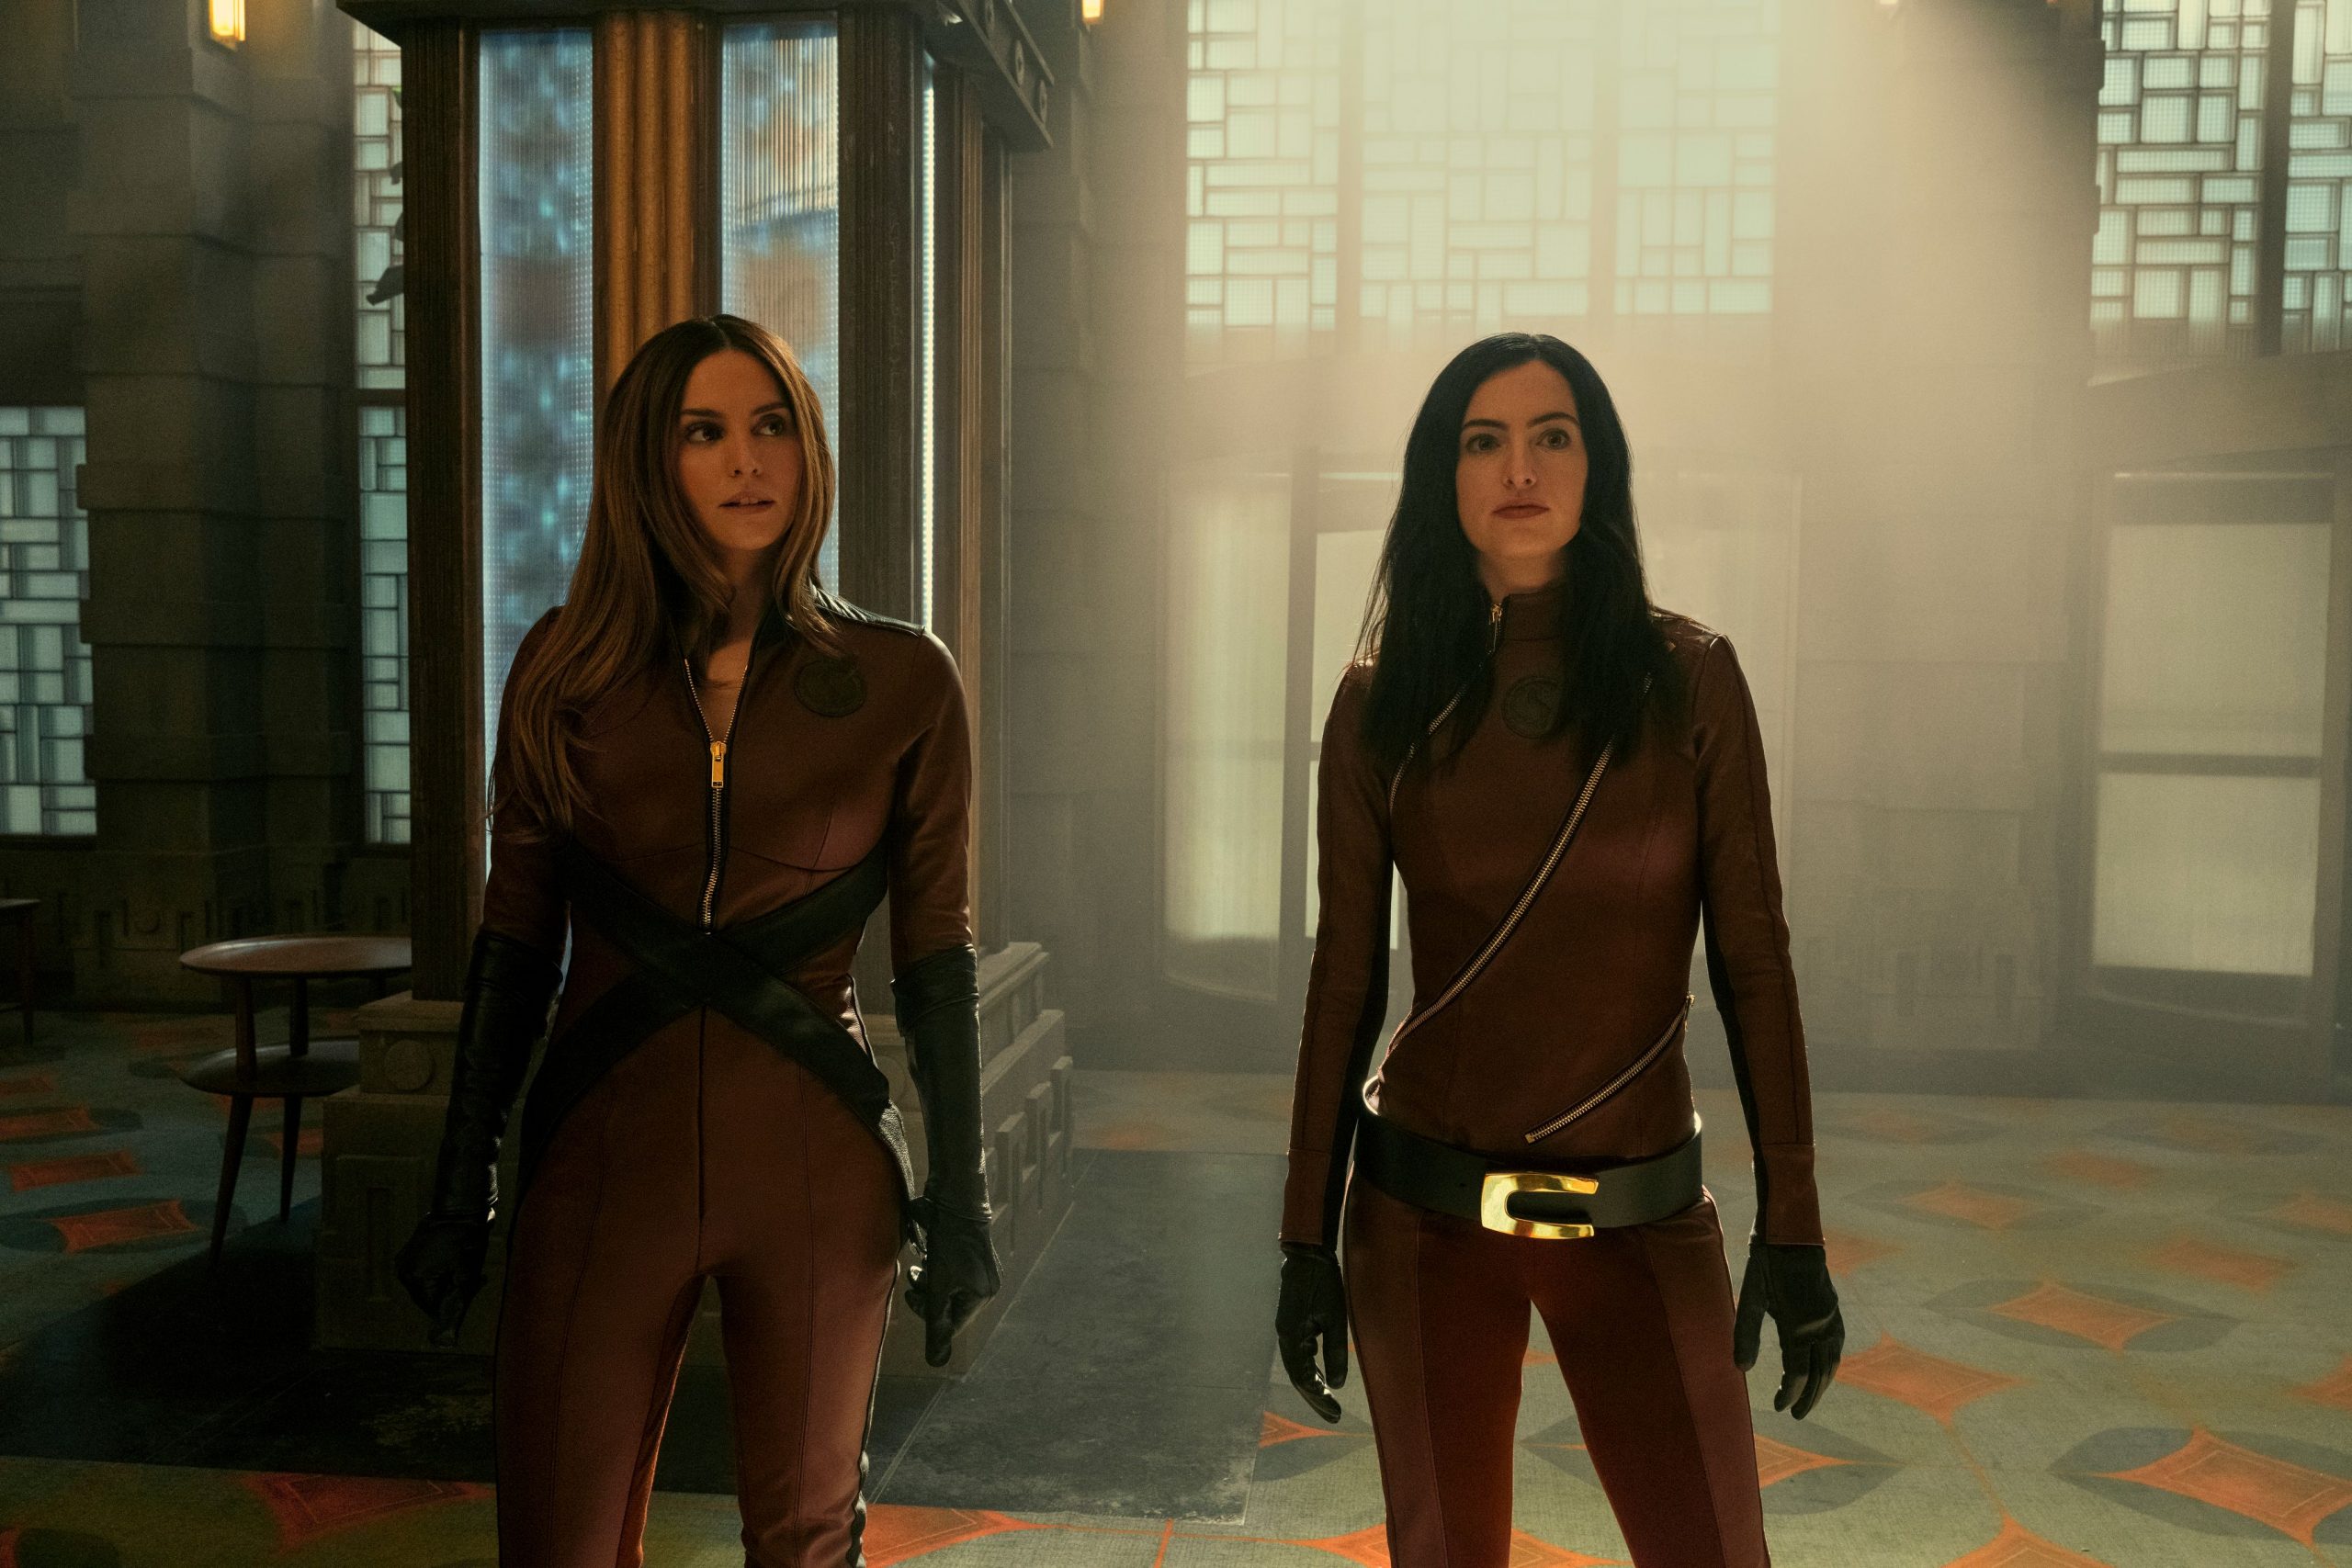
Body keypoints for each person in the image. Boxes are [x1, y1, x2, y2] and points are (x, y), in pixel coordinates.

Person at [393, 314, 999, 1567]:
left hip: (817, 1162)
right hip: (603, 1156)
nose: (746, 460)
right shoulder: (561, 670)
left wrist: (964, 1198)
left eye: (772, 425)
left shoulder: (904, 679)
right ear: (648, 460)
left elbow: (937, 959)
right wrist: (463, 1184)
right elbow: (515, 945)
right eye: (705, 431)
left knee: (807, 1544)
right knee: (556, 1542)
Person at [1273, 333, 1842, 1568]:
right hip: (1422, 1215)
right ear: (1443, 473)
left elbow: (1754, 962)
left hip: (1641, 1207)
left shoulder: (1691, 679)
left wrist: (1793, 1223)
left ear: (1598, 466)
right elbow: (1345, 980)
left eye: (1552, 436)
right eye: (1484, 440)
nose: (1519, 468)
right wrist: (1302, 1238)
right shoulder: (1380, 700)